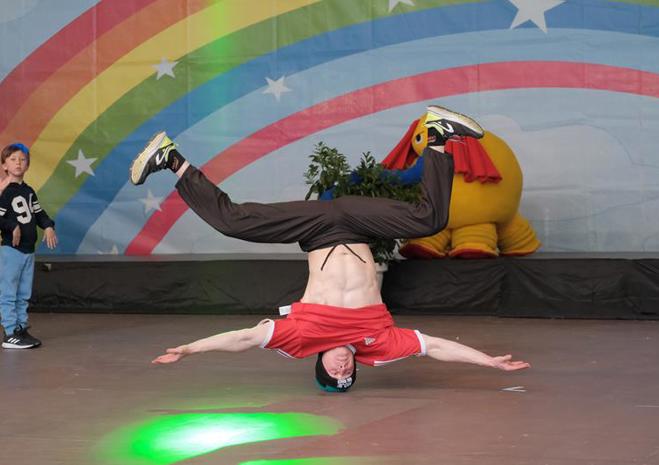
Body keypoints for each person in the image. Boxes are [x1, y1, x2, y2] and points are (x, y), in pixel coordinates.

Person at [131, 105, 530, 391]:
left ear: (319, 363)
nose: (342, 368)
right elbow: (435, 347)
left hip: (317, 228)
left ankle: (171, 158)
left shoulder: (300, 338)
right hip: (358, 225)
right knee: (430, 221)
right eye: (348, 374)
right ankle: (439, 136)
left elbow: (243, 339)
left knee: (232, 221)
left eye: (334, 372)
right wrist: (489, 362)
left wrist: (189, 349)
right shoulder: (379, 344)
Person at [0, 143, 58, 349]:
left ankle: (21, 328)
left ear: (28, 165)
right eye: (13, 159)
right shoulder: (4, 192)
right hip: (11, 250)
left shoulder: (28, 191)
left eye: (22, 159)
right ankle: (10, 332)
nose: (18, 163)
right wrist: (12, 226)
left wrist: (48, 226)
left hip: (28, 250)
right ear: (4, 165)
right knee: (9, 292)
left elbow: (38, 213)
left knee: (23, 293)